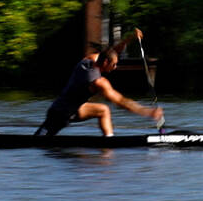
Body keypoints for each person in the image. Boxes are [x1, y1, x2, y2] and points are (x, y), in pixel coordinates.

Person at [34, 28, 163, 136]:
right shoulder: (99, 82)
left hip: (75, 109)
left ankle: (109, 142)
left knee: (103, 110)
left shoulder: (90, 59)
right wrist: (148, 112)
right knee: (40, 140)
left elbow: (112, 52)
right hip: (59, 114)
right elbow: (121, 101)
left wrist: (130, 38)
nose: (115, 67)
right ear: (106, 63)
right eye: (114, 65)